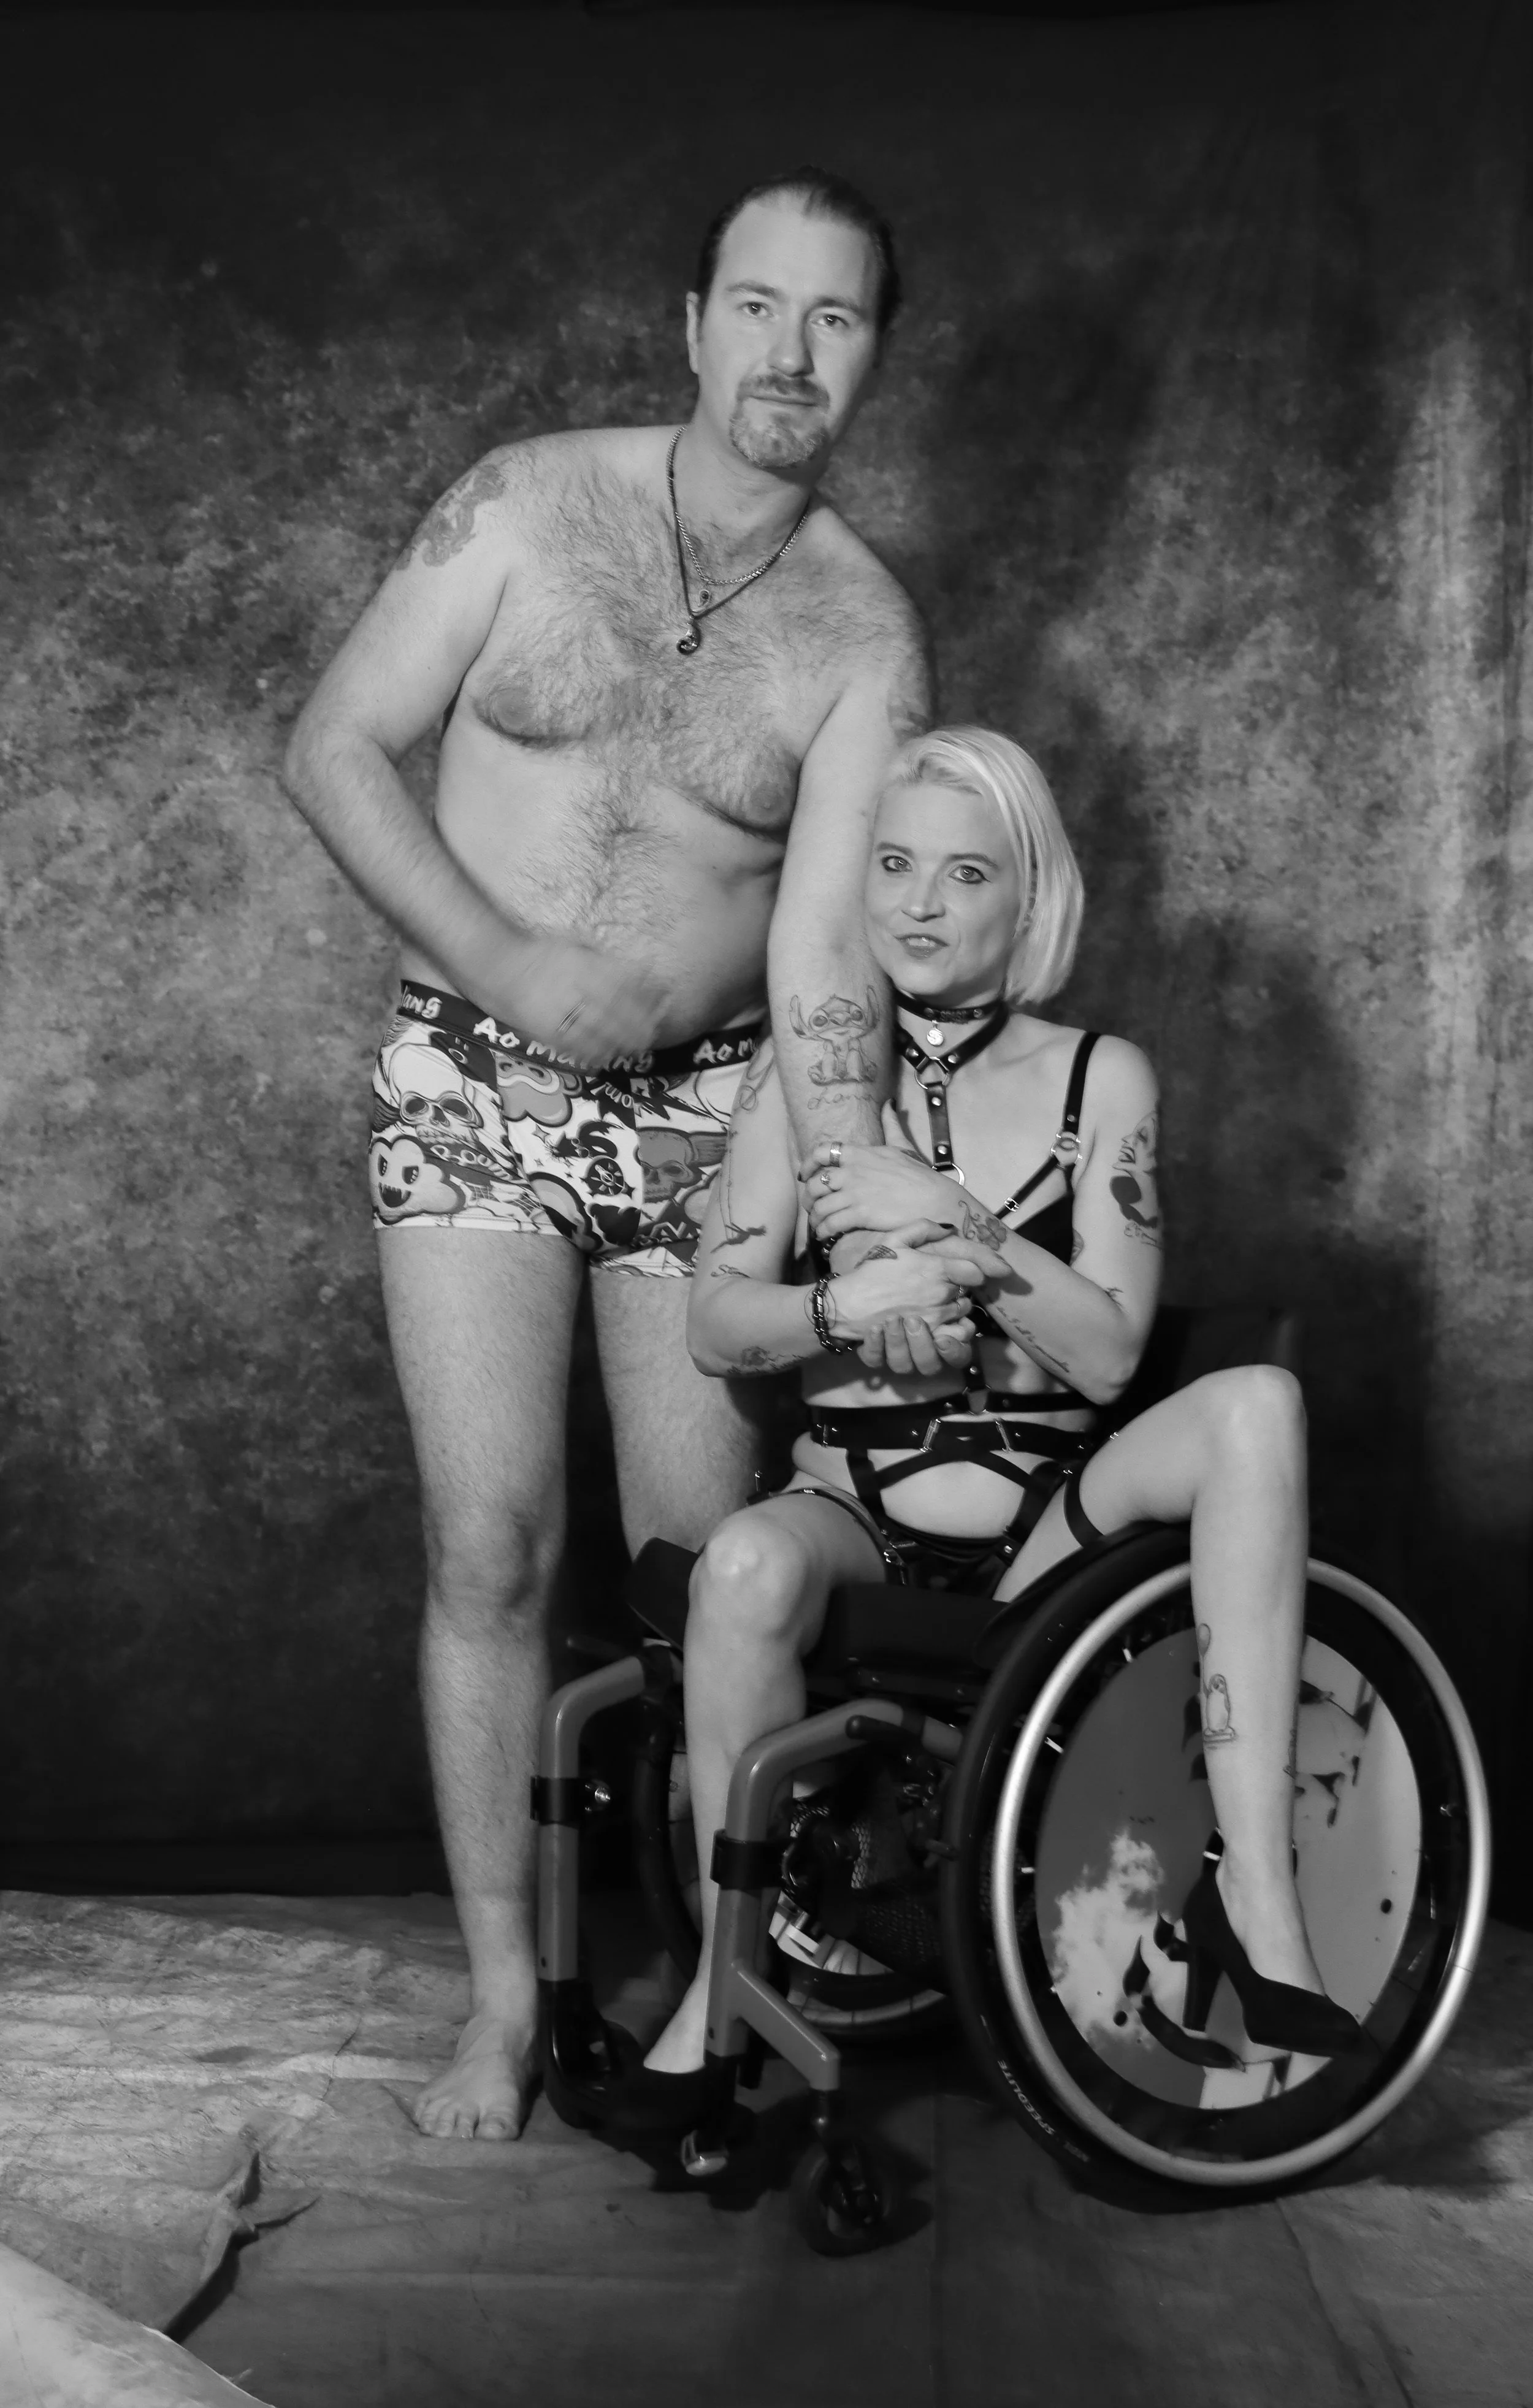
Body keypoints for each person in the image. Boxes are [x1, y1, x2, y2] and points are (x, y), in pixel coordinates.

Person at [283, 169, 930, 2139]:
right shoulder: (522, 502)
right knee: (490, 1543)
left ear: (874, 357)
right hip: (470, 1077)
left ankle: (722, 1979)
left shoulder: (862, 630)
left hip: (704, 1116)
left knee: (697, 1576)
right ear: (692, 322)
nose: (790, 353)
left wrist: (843, 1202)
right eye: (759, 305)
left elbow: (824, 957)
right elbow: (332, 745)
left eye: (835, 318)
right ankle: (503, 2001)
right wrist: (510, 965)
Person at [619, 724, 1361, 2119]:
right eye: (893, 864)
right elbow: (717, 1325)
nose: (919, 904)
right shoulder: (803, 1081)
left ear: (1031, 898)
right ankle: (727, 1978)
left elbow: (1110, 1353)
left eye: (965, 874)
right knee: (741, 1565)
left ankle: (1260, 1907)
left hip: (1046, 1544)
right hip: (853, 1509)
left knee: (1259, 1405)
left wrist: (949, 1218)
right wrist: (848, 1305)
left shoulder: (1102, 1078)